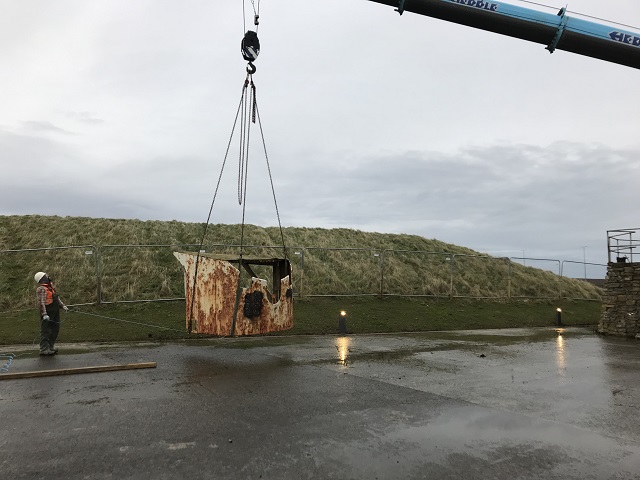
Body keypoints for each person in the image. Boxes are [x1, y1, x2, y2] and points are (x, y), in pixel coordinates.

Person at [34, 272, 69, 356]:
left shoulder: (50, 287)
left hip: (55, 311)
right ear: (42, 278)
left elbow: (57, 298)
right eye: (46, 275)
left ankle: (50, 346)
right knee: (46, 330)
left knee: (55, 329)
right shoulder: (41, 289)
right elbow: (41, 303)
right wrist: (44, 314)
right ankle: (44, 349)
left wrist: (63, 306)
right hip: (47, 313)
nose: (48, 276)